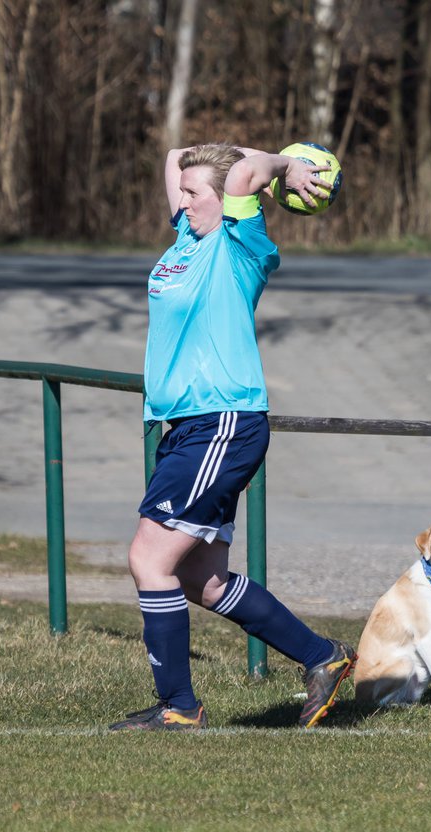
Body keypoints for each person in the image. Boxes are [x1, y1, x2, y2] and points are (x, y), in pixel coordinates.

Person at [109, 143, 356, 731]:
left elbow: (244, 173)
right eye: (186, 193)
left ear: (231, 202)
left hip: (221, 421)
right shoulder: (188, 238)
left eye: (196, 195)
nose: (183, 202)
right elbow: (173, 155)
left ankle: (179, 707)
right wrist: (203, 171)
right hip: (190, 427)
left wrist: (286, 167)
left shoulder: (240, 244)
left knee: (148, 558)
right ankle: (323, 656)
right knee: (202, 578)